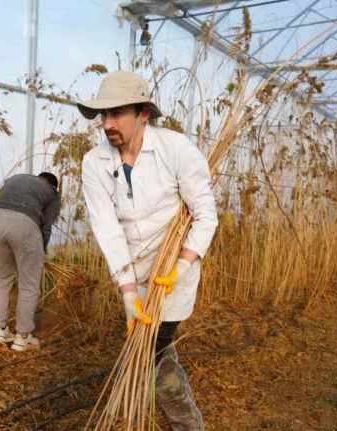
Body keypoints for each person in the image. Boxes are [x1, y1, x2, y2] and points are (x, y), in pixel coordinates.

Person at [79, 71, 218, 430]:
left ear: (143, 113)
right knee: (154, 353)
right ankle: (188, 424)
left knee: (146, 355)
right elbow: (107, 229)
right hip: (133, 278)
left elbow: (206, 215)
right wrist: (127, 290)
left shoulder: (175, 149)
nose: (107, 123)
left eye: (117, 113)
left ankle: (168, 423)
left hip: (172, 276)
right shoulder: (94, 162)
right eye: (102, 115)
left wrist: (183, 266)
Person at [0, 172, 61, 351]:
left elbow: (2, 193)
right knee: (28, 284)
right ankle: (23, 338)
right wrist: (40, 252)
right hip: (24, 224)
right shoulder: (53, 193)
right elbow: (46, 226)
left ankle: (0, 329)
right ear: (53, 185)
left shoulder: (18, 177)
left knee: (2, 277)